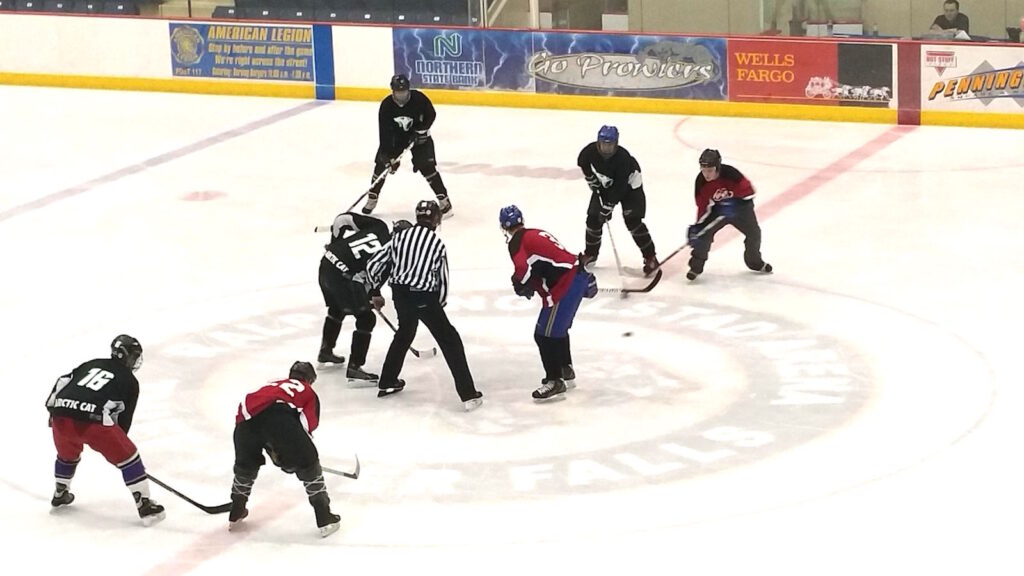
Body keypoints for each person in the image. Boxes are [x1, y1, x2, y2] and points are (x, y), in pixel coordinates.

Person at [366, 199, 483, 411]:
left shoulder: (400, 237)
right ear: (437, 218)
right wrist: (436, 305)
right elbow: (443, 281)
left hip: (400, 295)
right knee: (451, 341)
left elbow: (374, 264)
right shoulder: (437, 244)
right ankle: (468, 394)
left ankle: (387, 381)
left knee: (405, 333)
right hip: (424, 298)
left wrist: (374, 289)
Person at [44, 335, 165, 525]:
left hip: (61, 416)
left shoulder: (91, 364)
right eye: (134, 356)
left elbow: (62, 381)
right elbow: (123, 423)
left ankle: (60, 492)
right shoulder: (129, 381)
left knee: (67, 455)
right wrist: (123, 458)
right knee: (130, 457)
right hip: (93, 422)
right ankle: (145, 504)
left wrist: (53, 409)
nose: (135, 361)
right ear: (126, 356)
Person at [228, 361, 341, 538]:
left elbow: (250, 413)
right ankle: (324, 517)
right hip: (278, 418)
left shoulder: (272, 384)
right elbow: (307, 425)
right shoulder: (307, 391)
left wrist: (268, 443)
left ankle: (236, 511)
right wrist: (295, 453)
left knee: (246, 466)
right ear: (310, 380)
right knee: (309, 462)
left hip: (244, 422)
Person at [499, 205, 597, 401]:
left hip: (564, 287)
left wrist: (519, 283)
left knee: (543, 335)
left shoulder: (516, 242)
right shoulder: (536, 233)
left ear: (503, 227)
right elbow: (556, 260)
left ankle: (555, 380)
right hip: (577, 275)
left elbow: (522, 268)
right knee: (557, 331)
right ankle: (565, 368)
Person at [317, 211, 411, 385]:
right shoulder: (392, 256)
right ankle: (355, 367)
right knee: (366, 318)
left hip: (326, 265)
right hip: (341, 278)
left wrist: (335, 244)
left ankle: (326, 351)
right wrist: (374, 296)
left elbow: (342, 219)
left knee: (337, 308)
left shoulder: (379, 227)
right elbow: (368, 283)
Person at [363, 74, 453, 218]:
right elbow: (384, 134)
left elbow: (431, 114)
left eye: (404, 92)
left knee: (427, 167)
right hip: (396, 139)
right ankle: (372, 198)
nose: (401, 95)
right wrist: (387, 157)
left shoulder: (419, 98)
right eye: (398, 92)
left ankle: (444, 201)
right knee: (381, 165)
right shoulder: (386, 106)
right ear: (393, 91)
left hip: (419, 138)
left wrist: (422, 130)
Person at [576, 125, 658, 275]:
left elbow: (620, 188)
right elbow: (582, 161)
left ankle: (650, 257)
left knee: (633, 221)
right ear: (598, 143)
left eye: (610, 145)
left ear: (616, 144)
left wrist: (608, 206)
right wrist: (590, 178)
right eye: (604, 145)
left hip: (630, 187)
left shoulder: (623, 158)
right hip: (607, 184)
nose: (606, 149)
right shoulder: (589, 151)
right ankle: (590, 254)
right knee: (593, 219)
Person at [687, 149, 772, 281]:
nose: (706, 174)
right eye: (703, 170)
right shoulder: (701, 181)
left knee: (754, 234)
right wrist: (699, 227)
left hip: (741, 208)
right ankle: (696, 267)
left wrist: (734, 202)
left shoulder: (731, 174)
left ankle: (755, 263)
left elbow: (750, 191)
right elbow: (702, 206)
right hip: (719, 209)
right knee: (703, 234)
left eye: (710, 170)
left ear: (718, 167)